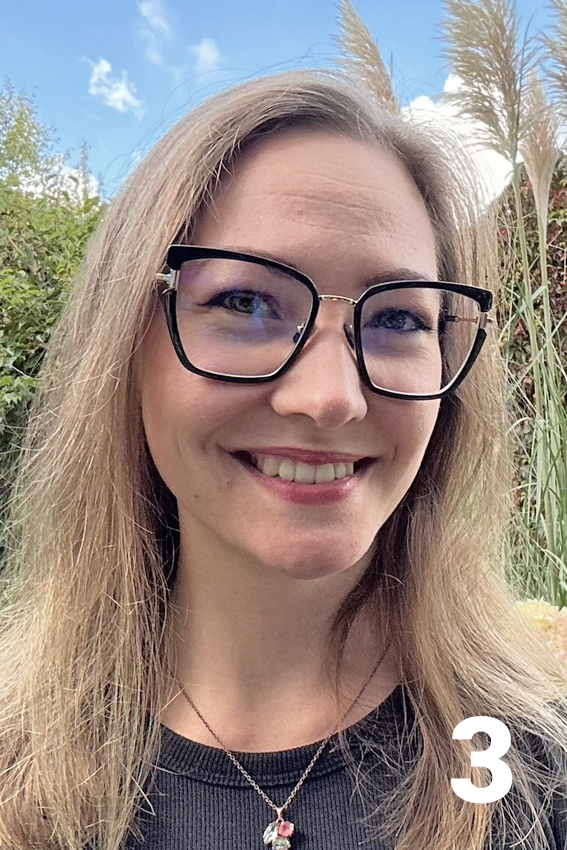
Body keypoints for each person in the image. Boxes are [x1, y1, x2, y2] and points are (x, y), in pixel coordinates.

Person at [0, 68, 566, 850]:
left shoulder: (536, 768)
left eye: (398, 318)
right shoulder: (14, 757)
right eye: (244, 302)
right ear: (123, 345)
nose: (329, 399)